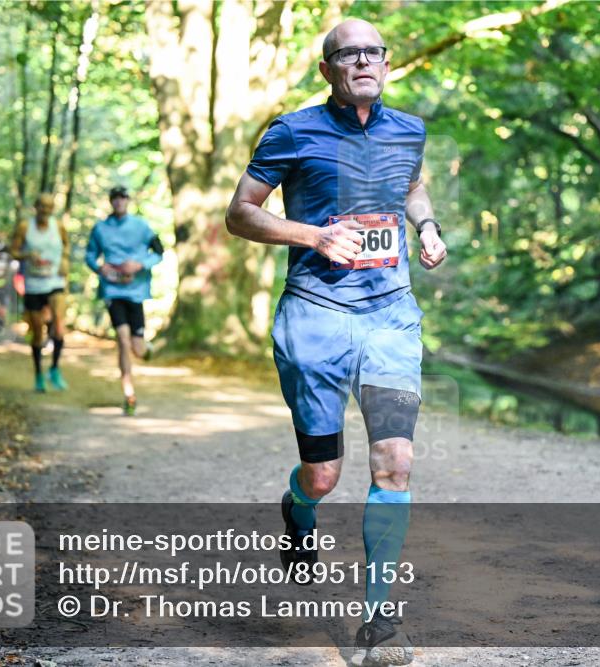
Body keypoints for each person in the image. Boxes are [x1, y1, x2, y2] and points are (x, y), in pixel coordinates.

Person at [225, 18, 447, 667]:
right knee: (323, 475)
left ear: (387, 63)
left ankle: (378, 620)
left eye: (374, 52)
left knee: (394, 462)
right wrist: (313, 235)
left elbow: (411, 185)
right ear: (327, 70)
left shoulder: (409, 129)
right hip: (316, 317)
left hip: (390, 315)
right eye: (349, 55)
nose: (364, 62)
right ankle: (298, 510)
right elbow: (240, 212)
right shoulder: (292, 131)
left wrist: (427, 227)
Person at [85, 185, 163, 416]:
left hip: (136, 292)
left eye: (123, 197)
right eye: (115, 198)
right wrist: (99, 268)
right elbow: (90, 255)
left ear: (128, 200)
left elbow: (159, 252)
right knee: (122, 338)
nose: (119, 201)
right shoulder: (100, 228)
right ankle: (129, 395)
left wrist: (139, 265)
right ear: (110, 201)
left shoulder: (141, 227)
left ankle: (146, 349)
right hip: (112, 291)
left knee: (137, 348)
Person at [10, 193, 70, 392]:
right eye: (42, 206)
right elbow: (13, 251)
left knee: (59, 326)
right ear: (36, 207)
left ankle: (54, 369)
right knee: (37, 333)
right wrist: (27, 255)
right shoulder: (25, 227)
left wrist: (64, 260)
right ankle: (38, 375)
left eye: (49, 206)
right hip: (34, 285)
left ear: (53, 209)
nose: (46, 210)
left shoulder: (58, 226)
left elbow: (66, 245)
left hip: (55, 281)